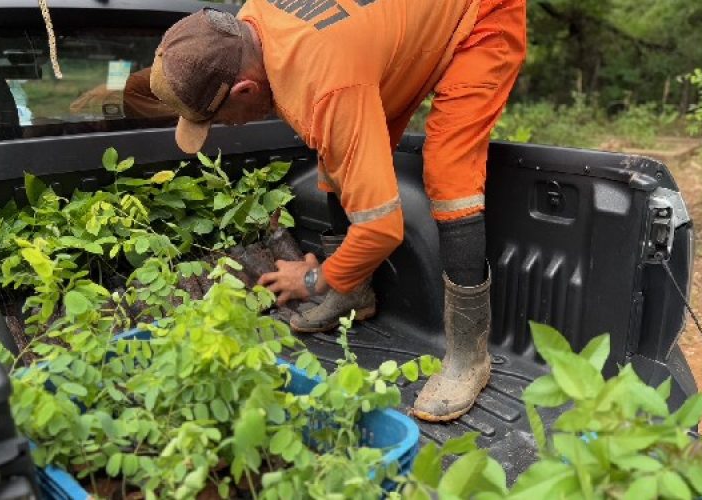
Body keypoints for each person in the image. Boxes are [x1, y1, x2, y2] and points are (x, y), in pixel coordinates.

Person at [149, 1, 526, 422]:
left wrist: (313, 279)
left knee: (449, 170)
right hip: (380, 38)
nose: (227, 127)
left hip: (479, 15)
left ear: (244, 90)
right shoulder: (249, 22)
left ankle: (468, 356)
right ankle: (353, 293)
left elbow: (382, 229)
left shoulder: (326, 81)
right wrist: (341, 276)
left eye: (218, 120)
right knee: (336, 147)